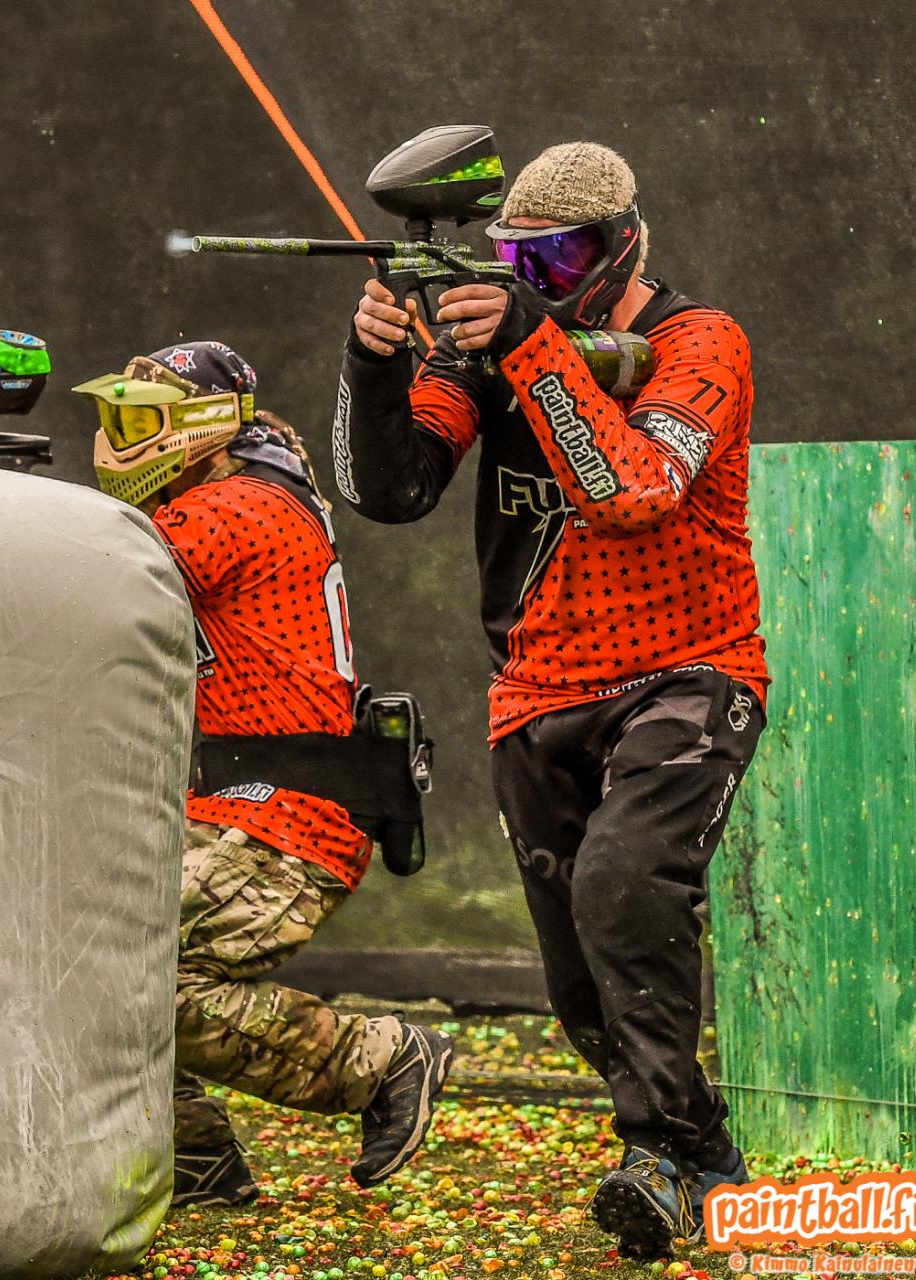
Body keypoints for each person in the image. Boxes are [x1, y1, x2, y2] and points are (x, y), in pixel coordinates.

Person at [336, 142, 768, 1259]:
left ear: (623, 242)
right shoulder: (496, 348)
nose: (536, 280)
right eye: (520, 259)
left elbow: (635, 489)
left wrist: (527, 340)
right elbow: (391, 489)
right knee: (580, 982)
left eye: (560, 259)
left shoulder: (700, 342)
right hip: (536, 690)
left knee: (624, 884)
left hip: (688, 673)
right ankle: (701, 1161)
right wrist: (374, 366)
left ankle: (654, 1155)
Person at [0, 340, 453, 1207]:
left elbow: (82, 575)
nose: (117, 438)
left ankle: (377, 1061)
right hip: (242, 807)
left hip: (288, 817)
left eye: (138, 422)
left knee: (123, 972)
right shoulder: (239, 494)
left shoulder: (234, 507)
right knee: (74, 953)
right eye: (114, 420)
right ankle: (189, 1150)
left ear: (198, 428)